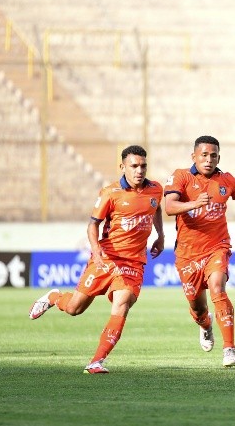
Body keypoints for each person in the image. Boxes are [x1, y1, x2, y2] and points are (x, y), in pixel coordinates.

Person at [29, 145, 165, 374]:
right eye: (134, 166)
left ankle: (96, 361)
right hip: (107, 258)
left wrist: (160, 235)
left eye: (143, 166)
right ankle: (54, 297)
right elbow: (93, 224)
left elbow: (156, 209)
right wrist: (96, 249)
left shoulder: (155, 189)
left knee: (122, 304)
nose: (139, 170)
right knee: (74, 308)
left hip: (133, 263)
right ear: (122, 167)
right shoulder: (110, 193)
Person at [164, 135, 235, 367]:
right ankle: (205, 325)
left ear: (218, 158)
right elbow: (169, 206)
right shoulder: (181, 177)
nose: (208, 160)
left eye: (213, 155)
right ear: (194, 156)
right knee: (197, 307)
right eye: (204, 155)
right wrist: (194, 204)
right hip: (187, 254)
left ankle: (229, 348)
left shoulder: (226, 180)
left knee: (217, 287)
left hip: (217, 246)